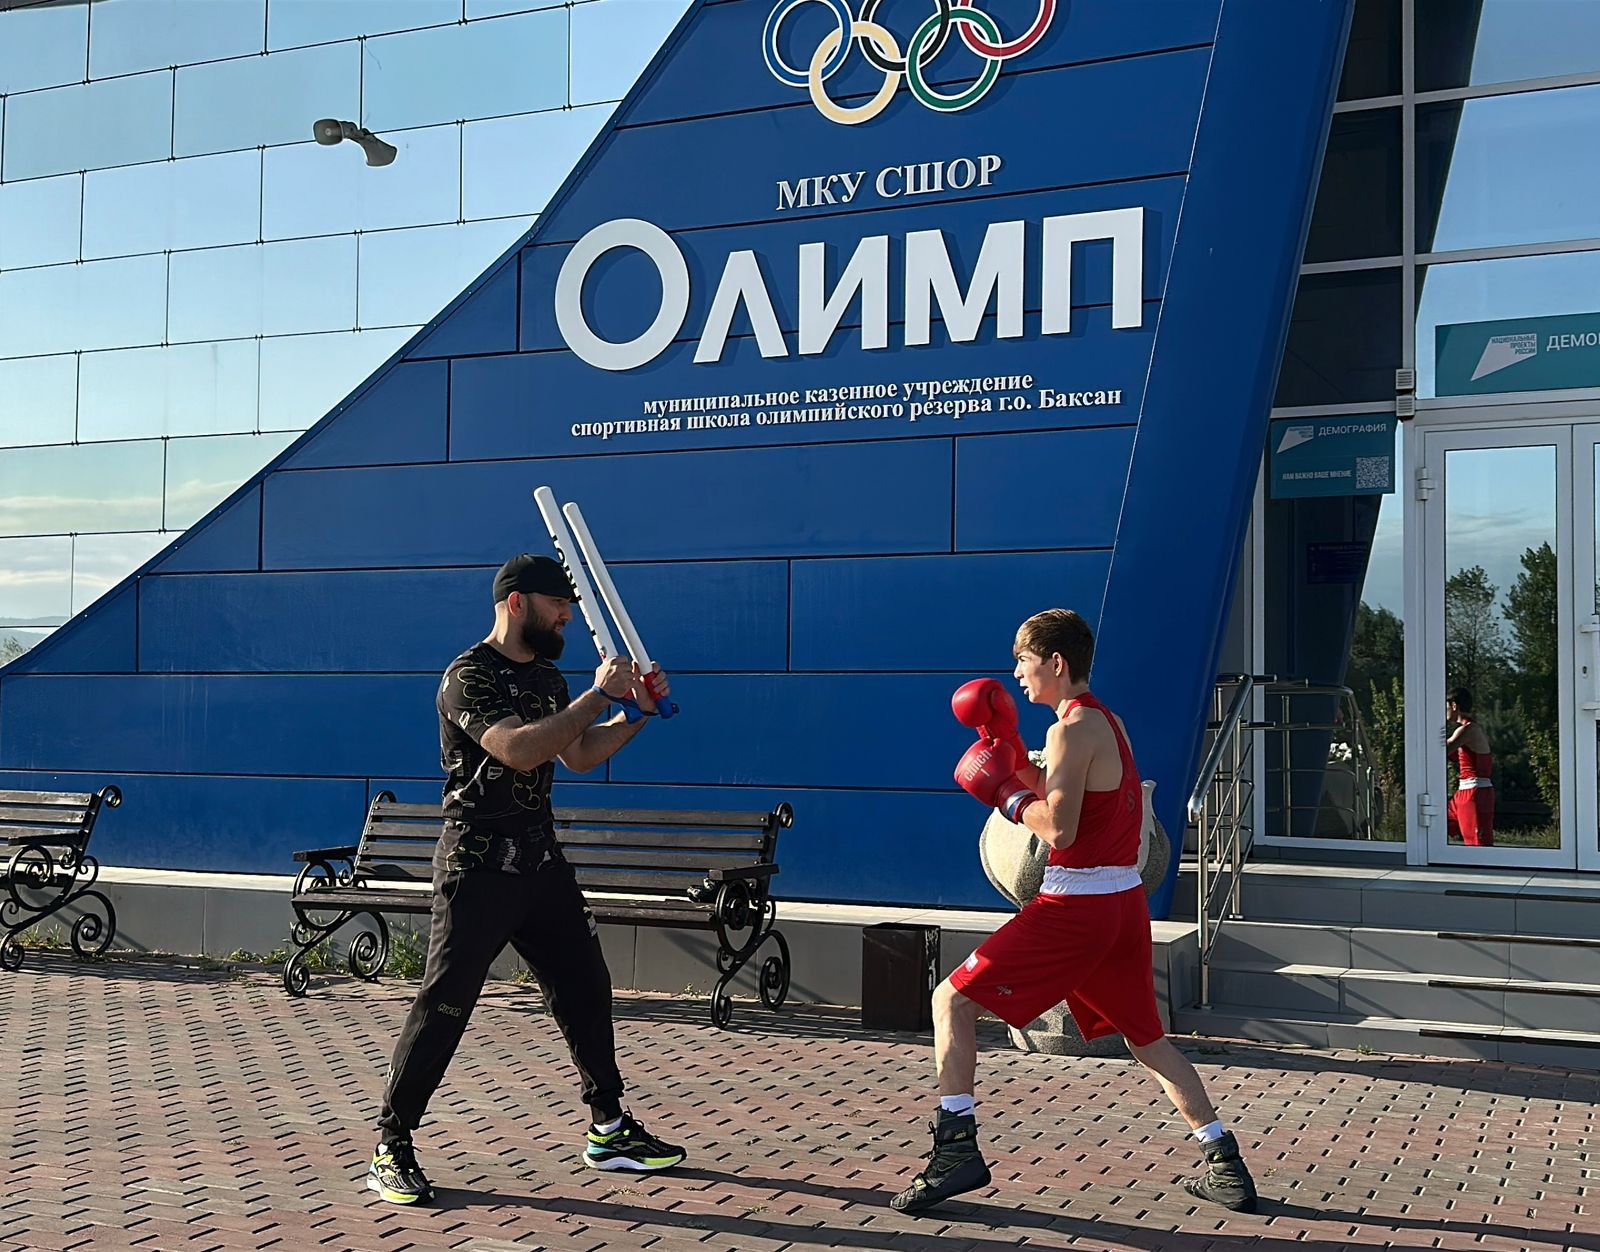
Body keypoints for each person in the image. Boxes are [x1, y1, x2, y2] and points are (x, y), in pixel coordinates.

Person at [893, 609, 1258, 1215]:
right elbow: (1079, 797)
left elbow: (1059, 830)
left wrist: (1005, 795)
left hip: (1077, 904)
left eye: (1023, 661)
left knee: (950, 1000)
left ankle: (956, 1149)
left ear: (1055, 663)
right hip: (1121, 905)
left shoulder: (1069, 730)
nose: (1016, 674)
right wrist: (1015, 760)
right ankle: (1224, 1160)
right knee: (1147, 1038)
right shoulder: (1107, 723)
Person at [367, 553, 684, 1205]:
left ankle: (610, 1129)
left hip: (540, 864)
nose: (567, 613)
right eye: (556, 603)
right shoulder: (468, 677)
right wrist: (602, 694)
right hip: (477, 868)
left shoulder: (547, 677)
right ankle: (391, 1145)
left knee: (586, 987)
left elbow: (577, 754)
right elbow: (517, 748)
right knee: (446, 1005)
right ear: (517, 603)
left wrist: (636, 714)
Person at [1445, 686, 1495, 847]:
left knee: (1477, 843)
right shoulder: (1468, 730)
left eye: (1446, 706)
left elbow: (1444, 750)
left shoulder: (1469, 729)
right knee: (1437, 822)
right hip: (1464, 792)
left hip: (1475, 792)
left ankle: (1484, 869)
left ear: (1454, 705)